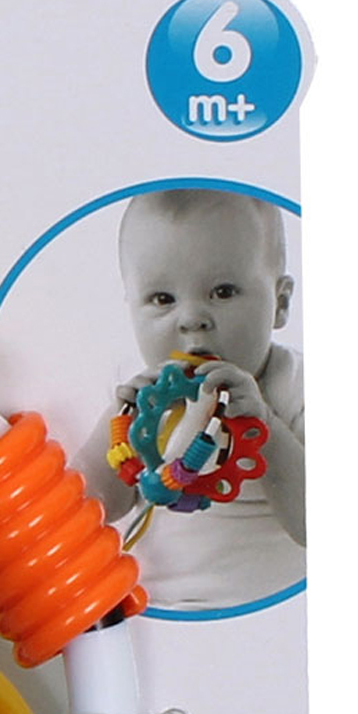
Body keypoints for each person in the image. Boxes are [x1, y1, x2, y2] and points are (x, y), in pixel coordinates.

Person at [80, 189, 305, 609]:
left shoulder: (297, 385)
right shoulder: (140, 398)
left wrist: (266, 427)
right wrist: (123, 433)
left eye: (223, 291)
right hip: (152, 613)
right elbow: (88, 504)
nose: (192, 319)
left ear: (280, 303)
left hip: (272, 616)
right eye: (163, 299)